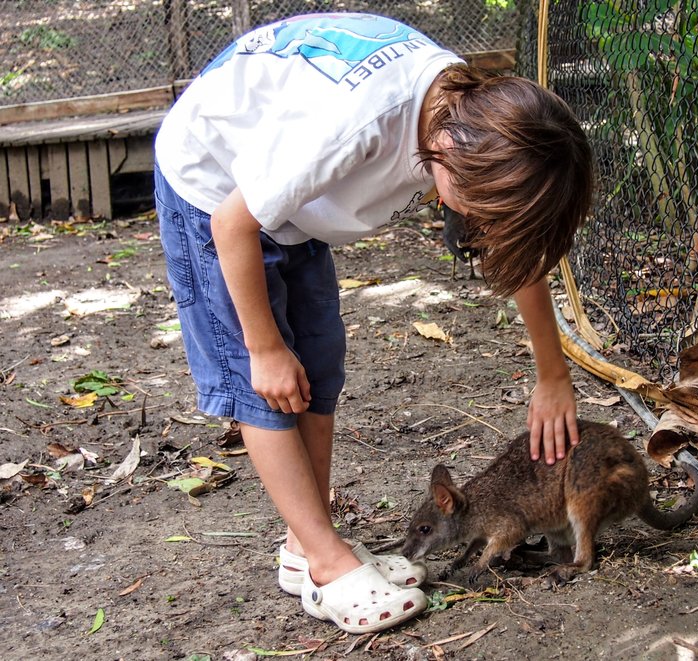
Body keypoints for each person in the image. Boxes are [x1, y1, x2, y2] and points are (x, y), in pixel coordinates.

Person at [154, 13, 593, 634]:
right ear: (449, 156)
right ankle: (326, 563)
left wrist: (552, 374)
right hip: (214, 190)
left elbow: (511, 249)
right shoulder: (355, 131)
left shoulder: (471, 118)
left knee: (319, 363)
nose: (477, 229)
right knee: (269, 382)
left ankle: (304, 544)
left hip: (287, 206)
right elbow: (232, 224)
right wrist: (264, 345)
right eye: (481, 212)